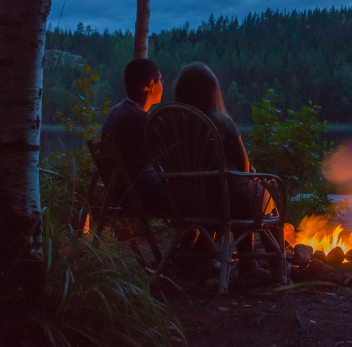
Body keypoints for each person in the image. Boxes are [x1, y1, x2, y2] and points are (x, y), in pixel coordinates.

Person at [174, 62, 279, 279]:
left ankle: (201, 257)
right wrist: (253, 176)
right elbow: (244, 167)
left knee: (241, 193)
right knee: (258, 195)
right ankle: (268, 266)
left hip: (184, 200)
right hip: (222, 199)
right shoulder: (221, 121)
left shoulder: (168, 121)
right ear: (213, 91)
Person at [101, 58, 166, 215]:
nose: (162, 85)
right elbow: (168, 156)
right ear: (151, 85)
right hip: (146, 195)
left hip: (121, 194)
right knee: (194, 190)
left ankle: (191, 238)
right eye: (161, 80)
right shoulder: (142, 121)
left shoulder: (117, 113)